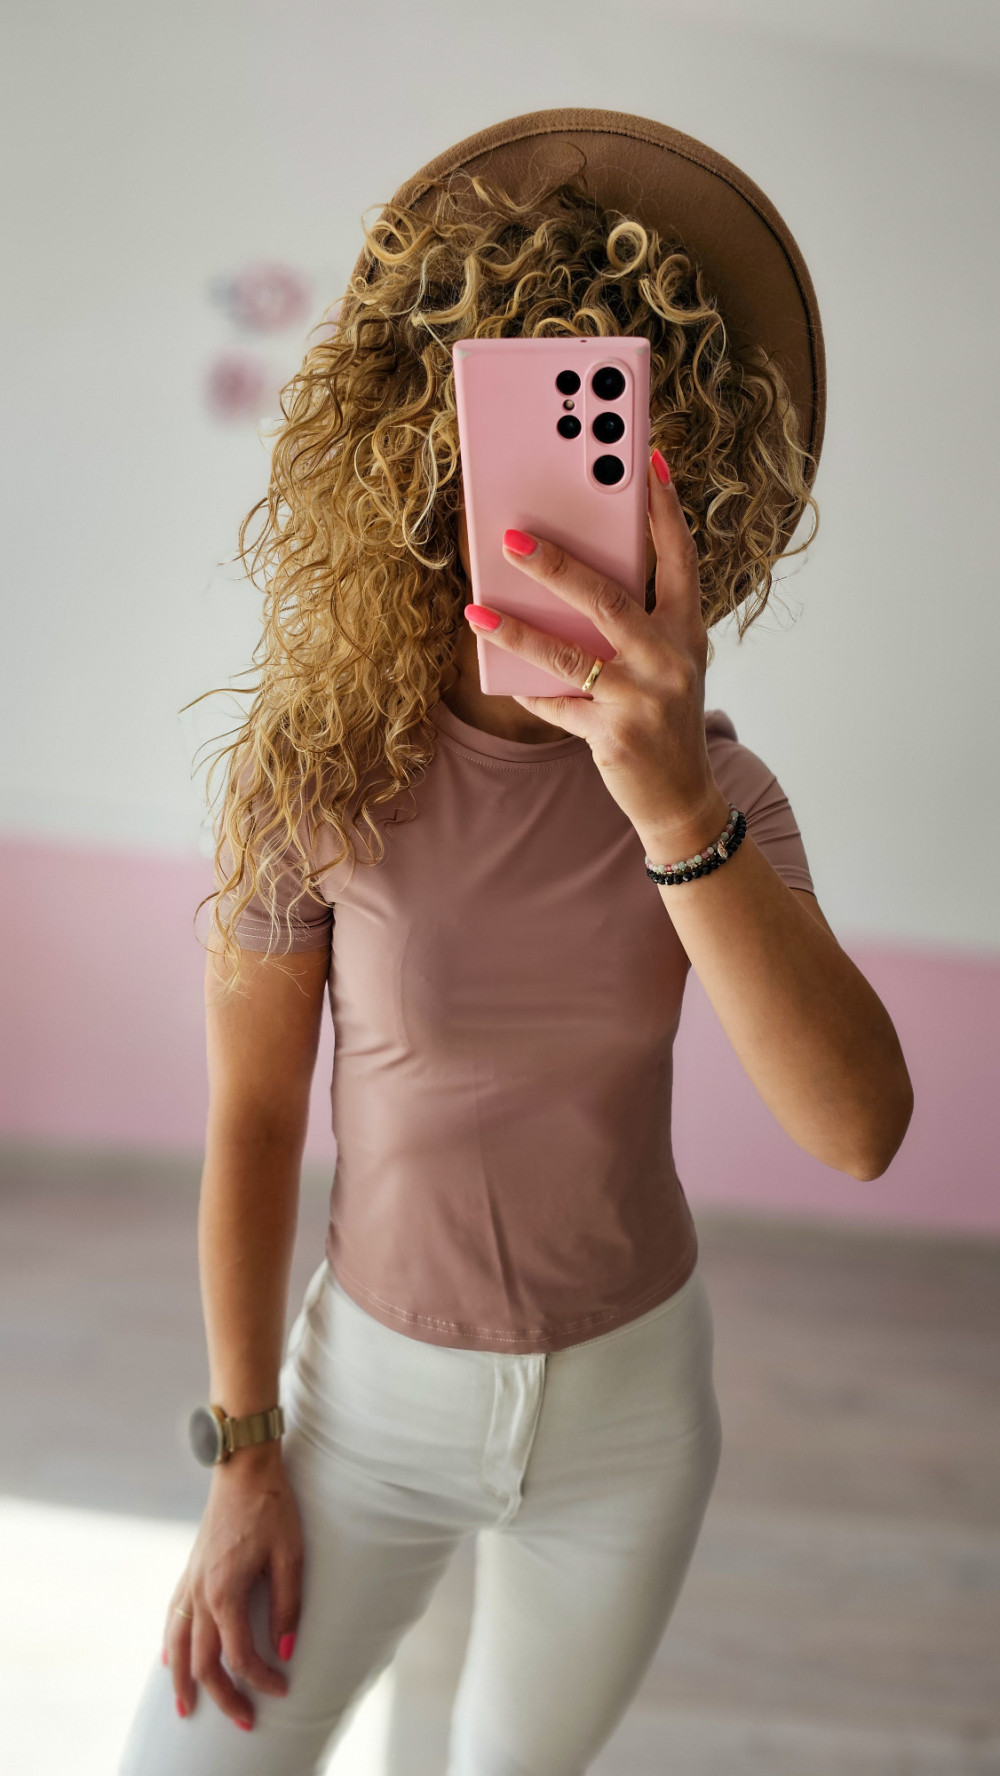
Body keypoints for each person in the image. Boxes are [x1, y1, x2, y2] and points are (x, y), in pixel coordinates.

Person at [117, 109, 913, 1776]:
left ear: (694, 481)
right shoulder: (320, 774)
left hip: (630, 1423)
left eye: (620, 443)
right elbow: (254, 1122)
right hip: (361, 1416)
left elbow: (858, 1132)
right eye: (522, 430)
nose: (567, 496)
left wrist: (670, 799)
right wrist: (242, 1450)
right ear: (427, 447)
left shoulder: (724, 799)